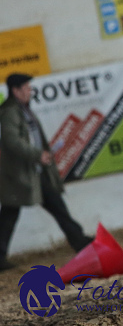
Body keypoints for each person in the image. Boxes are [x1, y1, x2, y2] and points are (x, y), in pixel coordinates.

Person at [0, 73, 93, 270]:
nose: (30, 91)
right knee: (10, 214)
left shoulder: (21, 109)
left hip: (31, 172)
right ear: (15, 90)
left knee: (54, 205)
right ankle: (80, 241)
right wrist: (36, 154)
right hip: (20, 174)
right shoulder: (10, 112)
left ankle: (80, 241)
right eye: (26, 88)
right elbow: (11, 141)